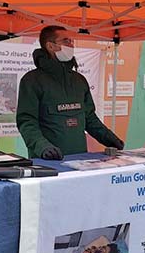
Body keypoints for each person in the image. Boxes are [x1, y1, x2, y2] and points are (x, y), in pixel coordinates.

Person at [17, 25, 124, 160]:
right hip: (48, 161)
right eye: (66, 41)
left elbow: (89, 118)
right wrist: (42, 147)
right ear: (50, 46)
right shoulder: (32, 81)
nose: (71, 44)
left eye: (71, 41)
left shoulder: (79, 80)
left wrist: (109, 138)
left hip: (80, 160)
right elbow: (27, 122)